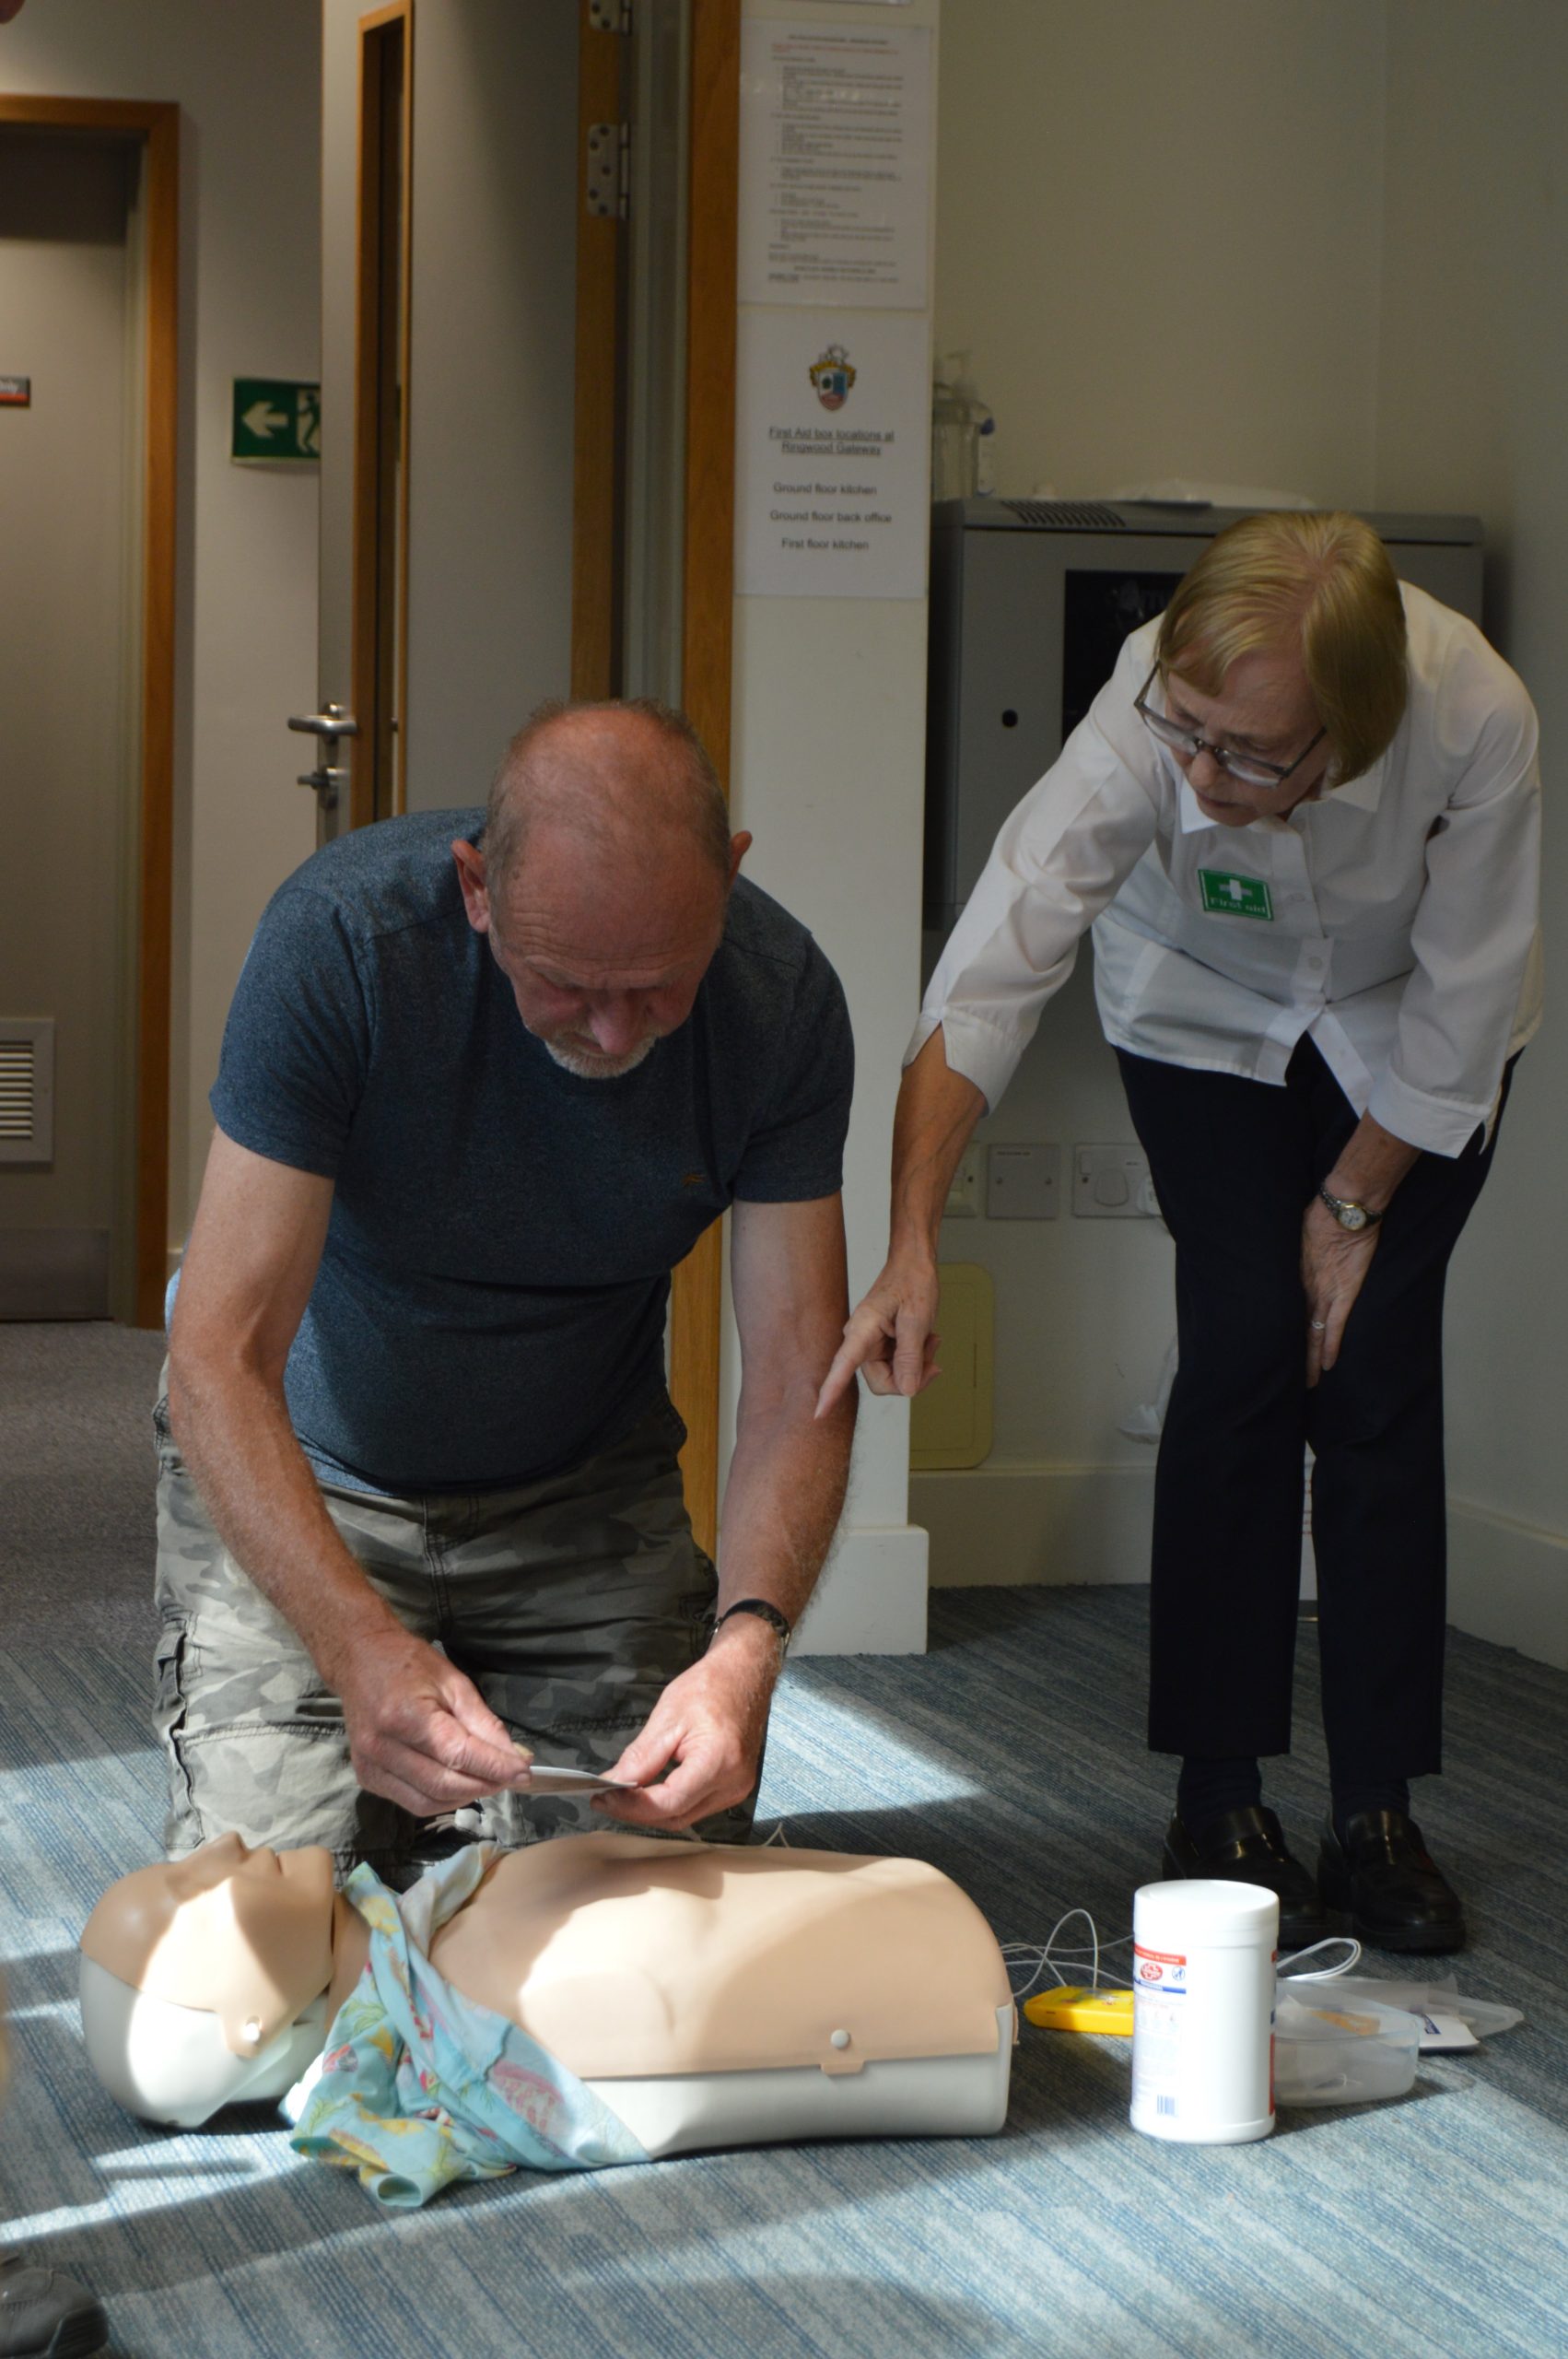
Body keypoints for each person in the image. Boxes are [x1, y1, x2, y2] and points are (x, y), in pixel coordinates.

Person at [819, 512, 1541, 1953]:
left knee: (1373, 1371)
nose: (1202, 778)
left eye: (1250, 756)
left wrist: (1353, 1203)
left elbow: (1467, 994)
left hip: (1410, 1043)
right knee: (1243, 1351)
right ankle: (1218, 1798)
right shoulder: (1151, 702)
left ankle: (1376, 1810)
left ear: (1352, 726)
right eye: (1187, 737)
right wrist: (911, 1239)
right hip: (1199, 1015)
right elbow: (994, 965)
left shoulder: (1473, 717)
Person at [158, 698, 857, 1883]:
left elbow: (799, 1371)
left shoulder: (780, 1000)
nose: (612, 1032)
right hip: (314, 1483)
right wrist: (355, 1642)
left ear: (728, 881)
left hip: (582, 1498)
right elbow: (217, 1356)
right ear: (477, 889)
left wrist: (746, 1648)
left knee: (629, 1913)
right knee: (264, 1938)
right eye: (565, 981)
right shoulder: (341, 943)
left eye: (657, 985)